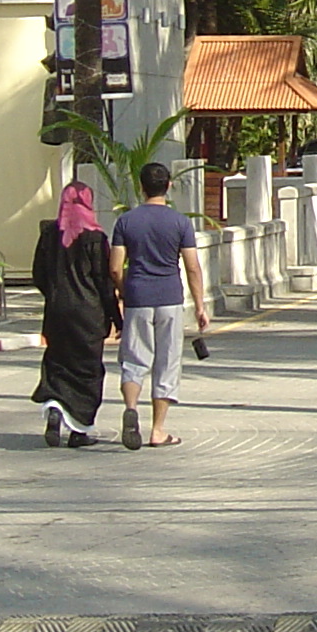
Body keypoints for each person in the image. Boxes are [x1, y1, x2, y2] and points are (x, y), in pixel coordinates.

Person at [108, 161, 209, 451]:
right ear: (169, 186)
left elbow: (115, 267)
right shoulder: (179, 222)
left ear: (141, 187)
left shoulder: (126, 222)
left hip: (138, 296)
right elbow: (192, 267)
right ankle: (158, 430)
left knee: (134, 359)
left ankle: (130, 408)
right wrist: (200, 306)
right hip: (169, 298)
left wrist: (124, 290)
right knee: (166, 362)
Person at [30, 181, 120, 449]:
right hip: (88, 314)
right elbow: (104, 283)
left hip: (57, 311)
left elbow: (38, 275)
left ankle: (55, 406)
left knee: (57, 361)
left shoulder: (48, 234)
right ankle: (79, 430)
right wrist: (116, 317)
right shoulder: (96, 238)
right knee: (88, 369)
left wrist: (55, 294)